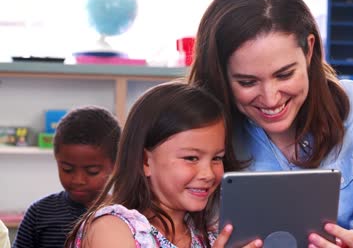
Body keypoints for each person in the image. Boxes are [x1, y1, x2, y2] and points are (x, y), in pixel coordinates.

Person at [188, 0, 353, 247]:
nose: (271, 99)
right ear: (221, 77)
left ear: (309, 50)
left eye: (284, 74)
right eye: (247, 82)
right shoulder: (202, 126)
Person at [66, 82, 262, 248]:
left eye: (217, 158)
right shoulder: (111, 227)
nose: (208, 173)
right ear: (145, 161)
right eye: (191, 158)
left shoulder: (208, 238)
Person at [13, 106, 121, 248]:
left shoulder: (125, 214)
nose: (78, 180)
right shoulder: (39, 213)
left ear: (115, 164)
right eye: (67, 169)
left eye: (92, 171)